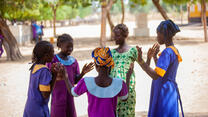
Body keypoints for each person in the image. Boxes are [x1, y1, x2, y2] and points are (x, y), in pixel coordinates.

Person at [62, 47, 133, 117]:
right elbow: (124, 98)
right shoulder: (119, 83)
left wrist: (65, 76)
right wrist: (128, 77)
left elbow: (73, 93)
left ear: (96, 66)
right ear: (110, 65)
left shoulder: (86, 82)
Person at [136, 20, 184, 117]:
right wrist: (153, 57)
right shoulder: (173, 50)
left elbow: (155, 75)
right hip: (170, 89)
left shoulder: (167, 52)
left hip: (163, 91)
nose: (157, 37)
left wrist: (140, 60)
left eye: (158, 34)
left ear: (164, 34)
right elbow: (163, 70)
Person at [110, 24, 151, 117]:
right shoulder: (111, 53)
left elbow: (146, 67)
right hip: (113, 91)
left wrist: (147, 58)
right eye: (114, 35)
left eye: (117, 35)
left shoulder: (133, 51)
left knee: (127, 114)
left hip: (128, 90)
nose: (114, 38)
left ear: (125, 35)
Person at [48, 34, 94, 117]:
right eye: (67, 47)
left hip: (70, 97)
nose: (70, 49)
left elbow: (75, 81)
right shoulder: (53, 60)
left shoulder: (73, 61)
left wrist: (82, 73)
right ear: (59, 45)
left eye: (71, 47)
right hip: (58, 98)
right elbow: (48, 78)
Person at [23, 41, 60, 117]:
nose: (54, 54)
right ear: (46, 56)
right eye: (52, 52)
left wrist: (52, 73)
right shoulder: (44, 71)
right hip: (38, 110)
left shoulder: (35, 66)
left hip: (30, 107)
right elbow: (45, 95)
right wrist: (55, 75)